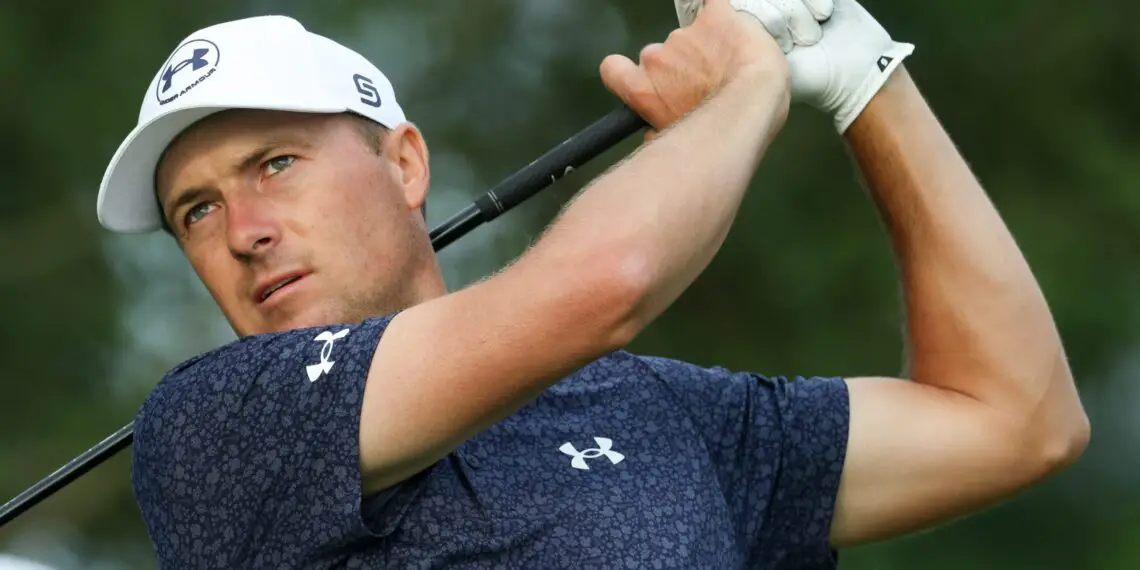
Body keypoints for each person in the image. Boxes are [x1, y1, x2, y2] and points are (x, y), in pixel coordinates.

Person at [95, 0, 1089, 568]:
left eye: (275, 164)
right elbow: (607, 281)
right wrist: (748, 84)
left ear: (405, 164)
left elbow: (1017, 420)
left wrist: (865, 76)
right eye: (198, 211)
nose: (246, 232)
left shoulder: (653, 410)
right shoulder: (212, 427)